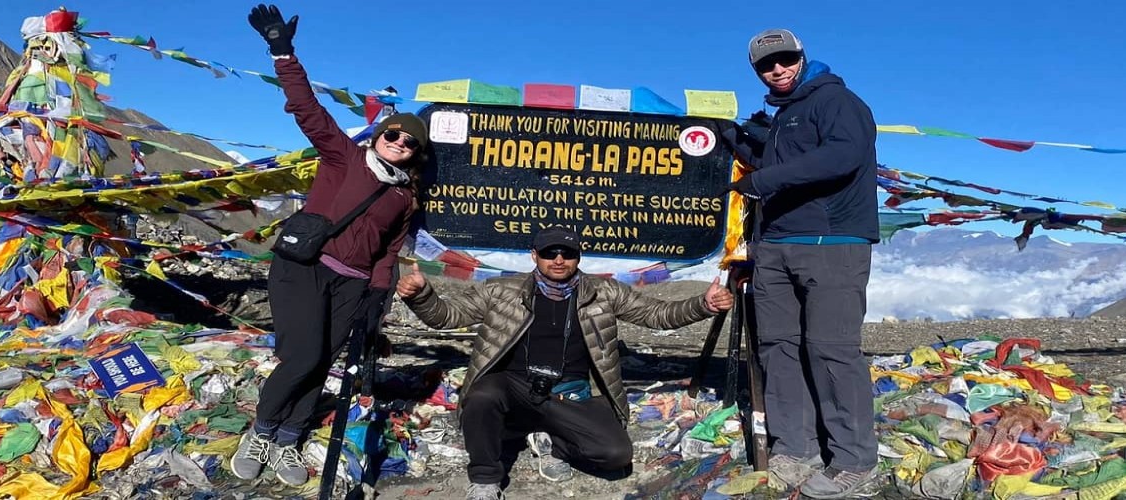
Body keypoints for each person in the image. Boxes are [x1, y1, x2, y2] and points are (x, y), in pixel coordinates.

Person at [231, 4, 427, 486]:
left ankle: (289, 436)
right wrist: (282, 51)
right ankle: (260, 430)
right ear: (381, 135)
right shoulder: (344, 156)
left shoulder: (405, 196)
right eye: (394, 133)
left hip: (354, 287)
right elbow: (307, 109)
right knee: (301, 356)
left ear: (416, 153)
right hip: (305, 267)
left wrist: (376, 304)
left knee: (323, 361)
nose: (400, 141)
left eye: (410, 141)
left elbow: (388, 252)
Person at [397, 227, 734, 500]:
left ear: (578, 257)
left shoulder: (604, 293)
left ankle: (552, 442)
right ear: (534, 256)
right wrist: (420, 296)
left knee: (616, 454)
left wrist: (702, 304)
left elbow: (657, 315)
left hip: (570, 394)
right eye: (549, 253)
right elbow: (447, 316)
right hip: (512, 387)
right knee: (482, 395)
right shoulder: (500, 290)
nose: (558, 259)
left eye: (567, 253)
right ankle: (485, 479)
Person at [722, 29, 883, 499]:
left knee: (831, 349)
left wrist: (765, 178)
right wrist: (733, 140)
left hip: (832, 243)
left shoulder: (837, 102)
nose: (777, 68)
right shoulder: (784, 116)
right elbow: (783, 165)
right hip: (774, 245)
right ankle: (796, 447)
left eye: (785, 58)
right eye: (766, 65)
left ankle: (855, 461)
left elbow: (841, 156)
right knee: (778, 346)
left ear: (802, 57)